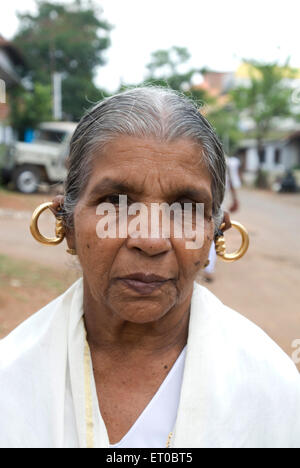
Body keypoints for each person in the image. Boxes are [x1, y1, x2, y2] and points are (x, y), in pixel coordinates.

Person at [1, 87, 300, 448]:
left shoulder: (271, 390)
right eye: (115, 201)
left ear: (214, 236)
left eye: (185, 207)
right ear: (66, 226)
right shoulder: (12, 379)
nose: (151, 239)